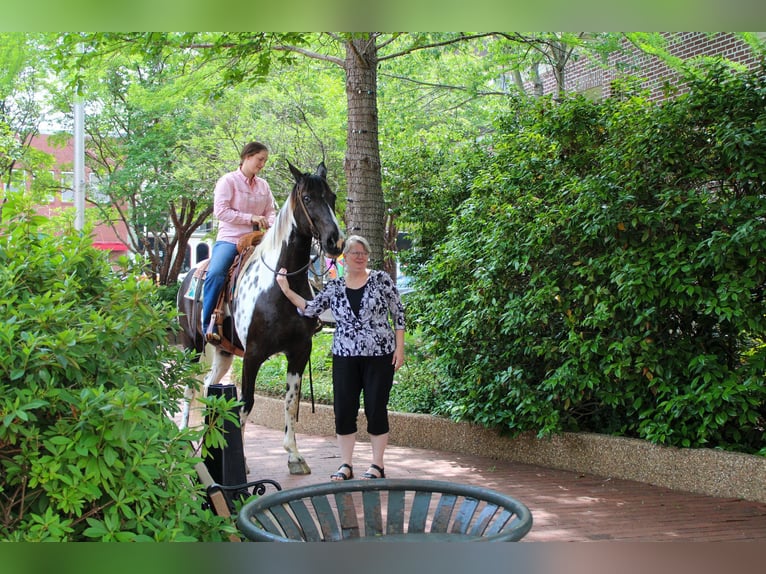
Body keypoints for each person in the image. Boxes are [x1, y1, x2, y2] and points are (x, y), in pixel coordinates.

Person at [276, 235, 405, 481]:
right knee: (344, 410)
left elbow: (398, 313)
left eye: (363, 252)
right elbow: (311, 308)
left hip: (380, 355)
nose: (359, 256)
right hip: (345, 355)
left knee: (376, 408)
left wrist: (400, 348)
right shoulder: (334, 287)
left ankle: (377, 465)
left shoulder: (380, 280)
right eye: (354, 252)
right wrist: (285, 289)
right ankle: (346, 465)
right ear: (344, 257)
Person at [202, 141, 276, 343]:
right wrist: (251, 218)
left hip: (258, 240)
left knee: (283, 267)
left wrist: (270, 223)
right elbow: (221, 211)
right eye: (260, 159)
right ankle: (207, 323)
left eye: (265, 161)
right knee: (216, 272)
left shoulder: (264, 185)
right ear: (247, 156)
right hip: (231, 239)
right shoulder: (228, 181)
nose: (262, 164)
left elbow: (270, 211)